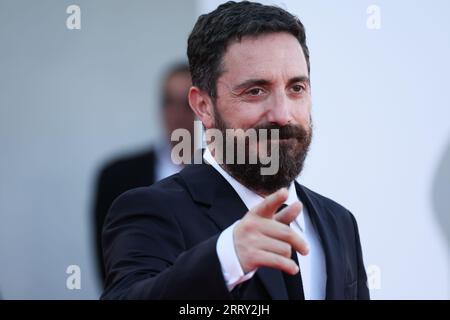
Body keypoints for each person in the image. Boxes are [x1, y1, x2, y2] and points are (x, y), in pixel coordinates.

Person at [101, 1, 369, 300]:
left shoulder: (339, 222)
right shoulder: (153, 211)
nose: (282, 114)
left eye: (296, 88)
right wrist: (227, 258)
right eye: (255, 91)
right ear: (203, 106)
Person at [93, 63, 194, 282]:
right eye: (168, 102)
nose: (177, 114)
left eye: (186, 104)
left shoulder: (227, 173)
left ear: (203, 107)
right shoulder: (117, 176)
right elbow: (109, 262)